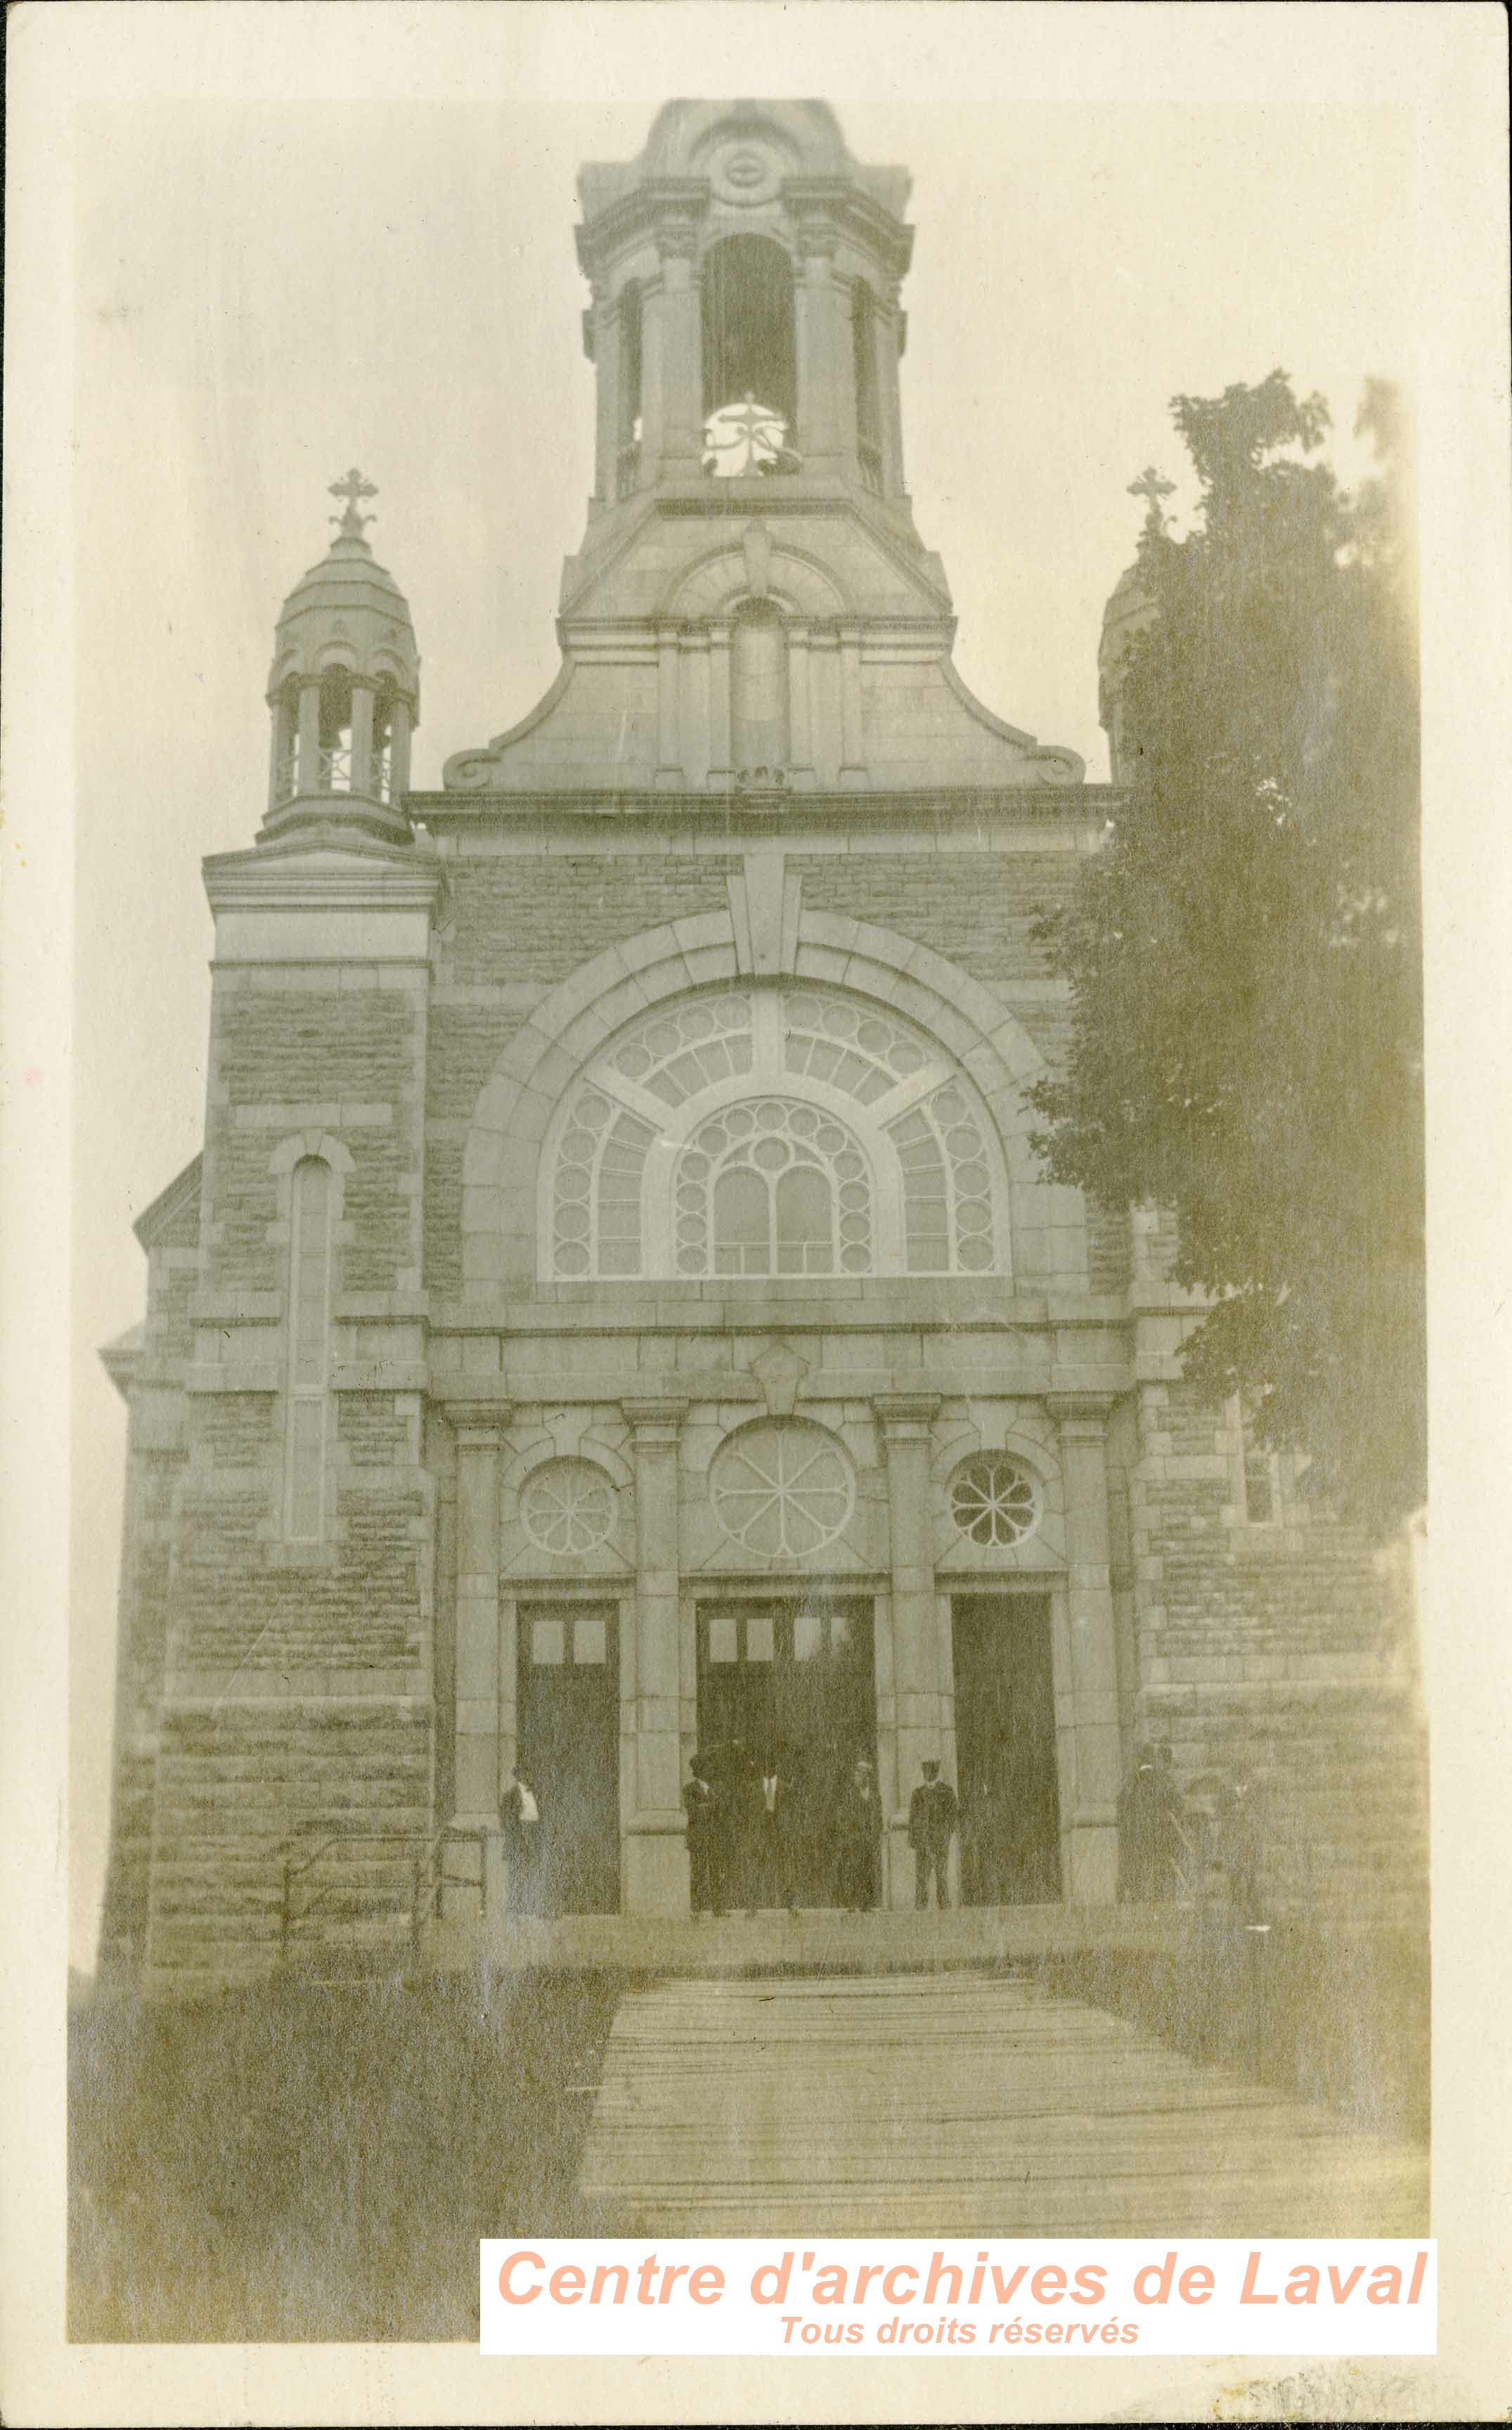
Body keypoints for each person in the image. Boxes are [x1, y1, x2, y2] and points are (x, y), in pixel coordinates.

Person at [1116, 1744, 1184, 1901]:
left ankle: (1137, 1899)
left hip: (1135, 1839)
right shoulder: (1162, 1781)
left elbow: (1121, 1809)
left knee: (1135, 1876)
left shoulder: (1130, 1784)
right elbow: (1178, 1804)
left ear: (1137, 1760)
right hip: (1157, 1838)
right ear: (1152, 1759)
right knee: (1159, 1876)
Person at [746, 1751, 800, 1918]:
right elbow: (749, 1813)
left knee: (786, 1870)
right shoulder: (753, 1788)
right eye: (764, 1764)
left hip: (781, 1835)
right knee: (756, 1870)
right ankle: (752, 1907)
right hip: (761, 1835)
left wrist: (788, 1830)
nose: (767, 1767)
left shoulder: (786, 1788)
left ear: (777, 1766)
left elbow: (793, 1813)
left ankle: (792, 1907)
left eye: (771, 1764)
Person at [908, 1758, 958, 1909]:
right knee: (922, 1877)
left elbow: (952, 1815)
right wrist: (913, 1840)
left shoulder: (946, 1791)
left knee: (941, 1875)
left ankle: (944, 1905)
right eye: (925, 1769)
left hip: (940, 1841)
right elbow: (913, 1818)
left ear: (935, 1770)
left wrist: (947, 1835)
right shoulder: (917, 1793)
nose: (927, 1772)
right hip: (923, 1842)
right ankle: (921, 1906)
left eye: (930, 1769)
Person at [839, 1757, 884, 1911]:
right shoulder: (850, 1795)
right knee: (853, 1870)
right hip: (854, 1839)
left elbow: (878, 1817)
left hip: (870, 1839)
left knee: (869, 1870)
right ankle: (852, 1904)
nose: (856, 1778)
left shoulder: (875, 1795)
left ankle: (867, 1904)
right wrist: (849, 1835)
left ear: (867, 1776)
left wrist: (876, 1834)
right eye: (856, 1774)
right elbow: (844, 1817)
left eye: (859, 1775)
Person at [501, 1763, 541, 1916]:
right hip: (519, 1837)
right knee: (517, 1875)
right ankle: (515, 1909)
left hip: (533, 1835)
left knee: (532, 1873)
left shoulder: (536, 1794)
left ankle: (530, 1907)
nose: (531, 1776)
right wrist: (518, 1835)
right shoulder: (511, 1795)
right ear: (520, 1775)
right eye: (527, 1772)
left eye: (531, 1773)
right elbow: (506, 1820)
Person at [683, 1754, 718, 1916]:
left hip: (714, 1837)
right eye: (706, 1767)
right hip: (697, 1837)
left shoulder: (717, 1788)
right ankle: (696, 1908)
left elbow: (721, 1809)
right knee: (698, 1873)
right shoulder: (689, 1789)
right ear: (699, 1770)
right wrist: (709, 1807)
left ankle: (718, 1908)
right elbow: (693, 1810)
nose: (710, 1770)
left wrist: (704, 1807)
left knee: (717, 1872)